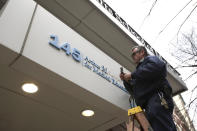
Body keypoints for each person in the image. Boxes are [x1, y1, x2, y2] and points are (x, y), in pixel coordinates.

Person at [120, 46, 177, 131]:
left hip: (157, 100)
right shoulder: (140, 71)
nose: (133, 57)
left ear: (142, 52)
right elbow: (134, 90)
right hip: (149, 106)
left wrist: (132, 75)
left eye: (134, 54)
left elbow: (158, 66)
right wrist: (126, 80)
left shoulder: (150, 59)